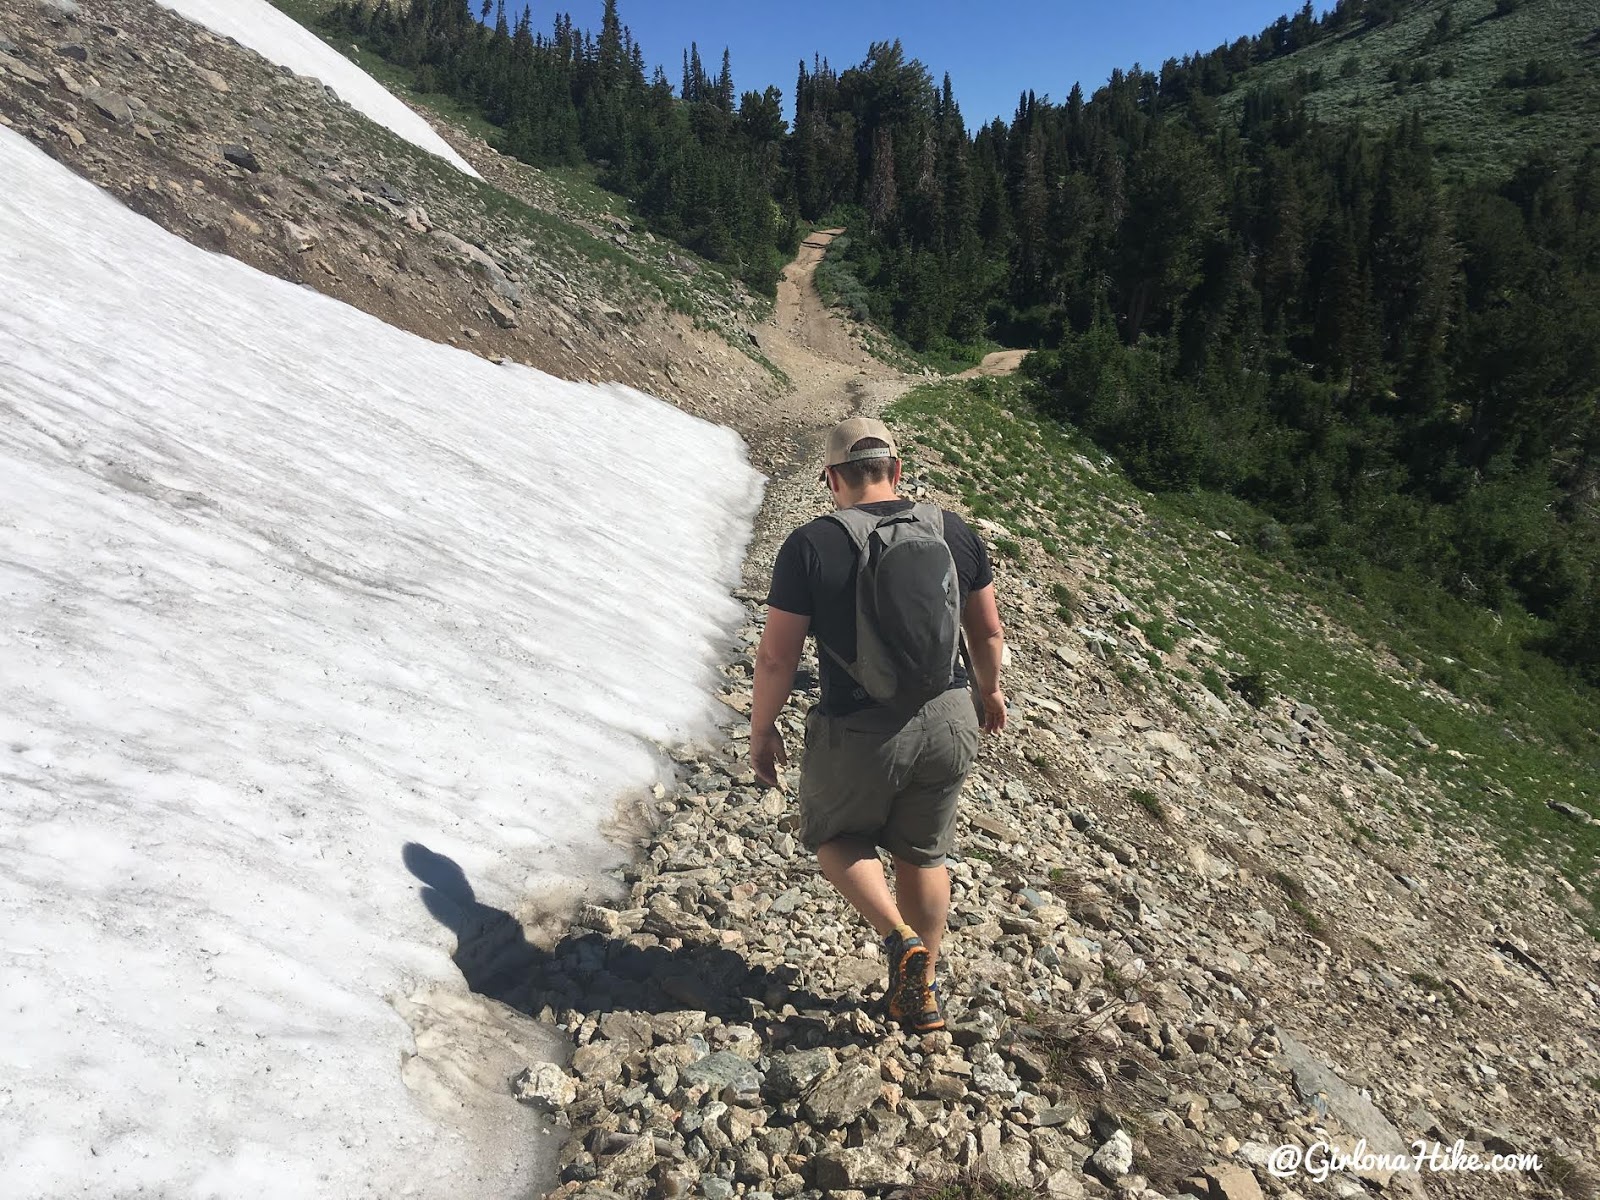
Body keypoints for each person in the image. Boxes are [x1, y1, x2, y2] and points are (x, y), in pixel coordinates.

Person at [750, 416, 1007, 1034]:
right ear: (896, 471)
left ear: (832, 478)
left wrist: (763, 730)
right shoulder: (954, 531)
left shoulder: (813, 544)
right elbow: (988, 632)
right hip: (949, 718)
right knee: (925, 853)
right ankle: (922, 993)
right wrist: (990, 692)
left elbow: (777, 657)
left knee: (836, 836)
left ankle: (897, 938)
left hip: (860, 726)